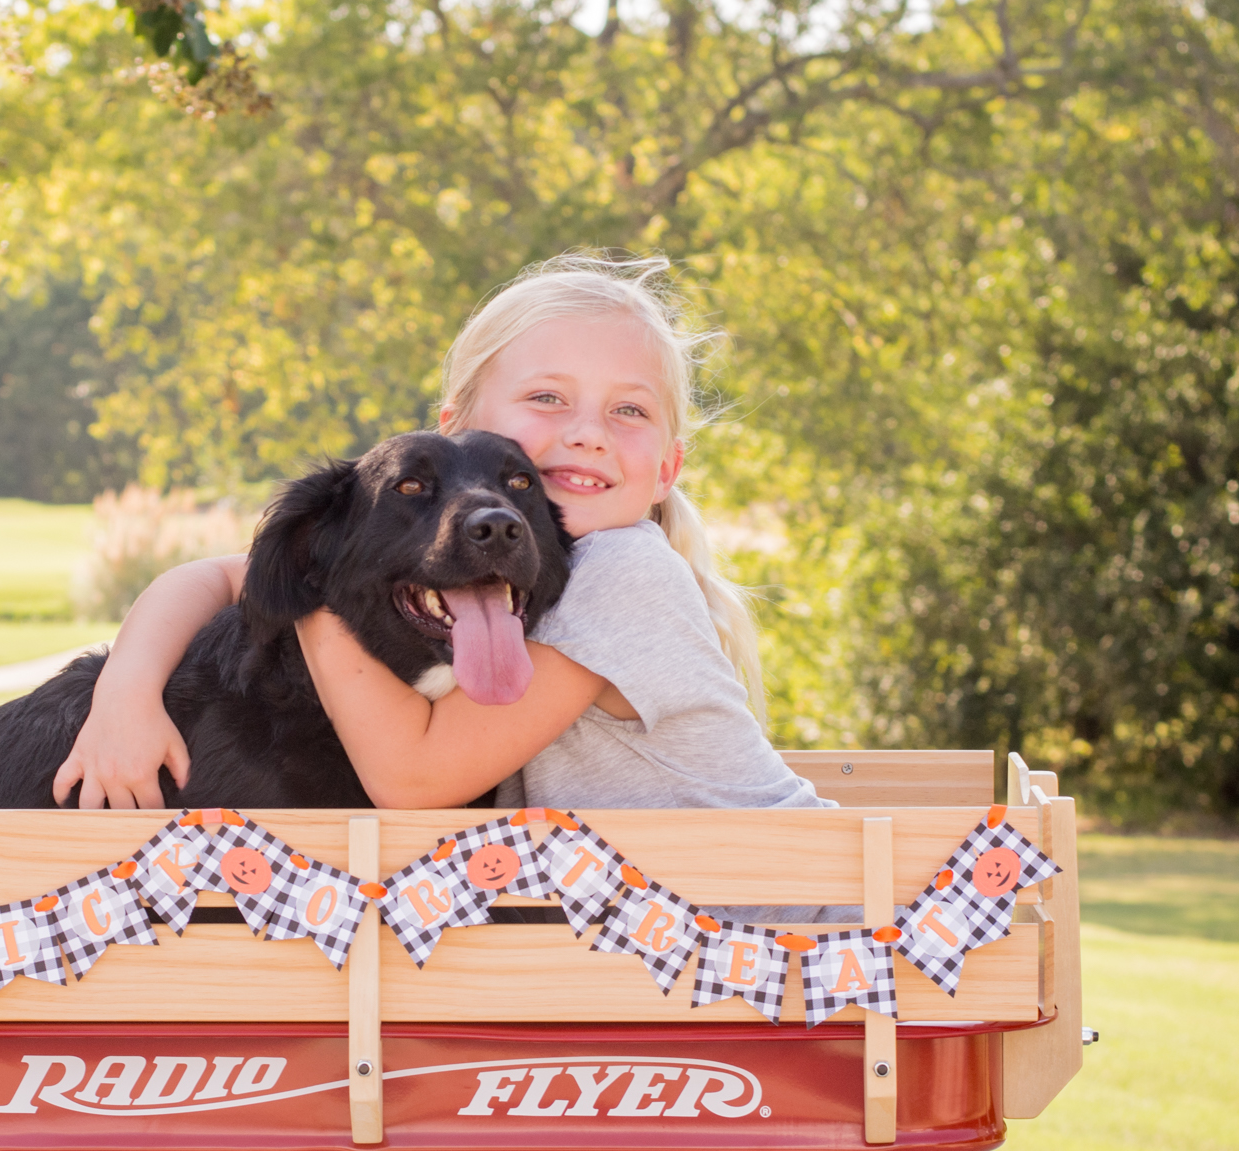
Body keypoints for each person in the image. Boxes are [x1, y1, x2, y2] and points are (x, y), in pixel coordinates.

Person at [51, 254, 829, 826]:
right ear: (457, 425)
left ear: (668, 466)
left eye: (629, 412)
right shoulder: (515, 560)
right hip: (689, 934)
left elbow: (415, 781)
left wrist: (319, 579)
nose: (588, 434)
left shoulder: (623, 571)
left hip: (790, 931)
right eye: (547, 397)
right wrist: (125, 691)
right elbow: (218, 578)